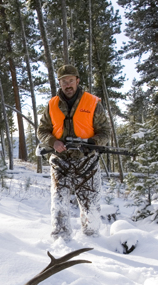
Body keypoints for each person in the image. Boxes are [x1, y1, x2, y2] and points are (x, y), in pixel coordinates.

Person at [38, 64, 110, 240]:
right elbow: (42, 130)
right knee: (59, 203)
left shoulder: (92, 103)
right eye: (64, 81)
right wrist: (53, 142)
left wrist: (91, 143)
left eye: (71, 80)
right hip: (60, 161)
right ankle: (61, 243)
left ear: (77, 81)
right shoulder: (52, 105)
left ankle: (93, 243)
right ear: (59, 83)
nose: (67, 85)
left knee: (91, 208)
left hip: (87, 161)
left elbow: (105, 132)